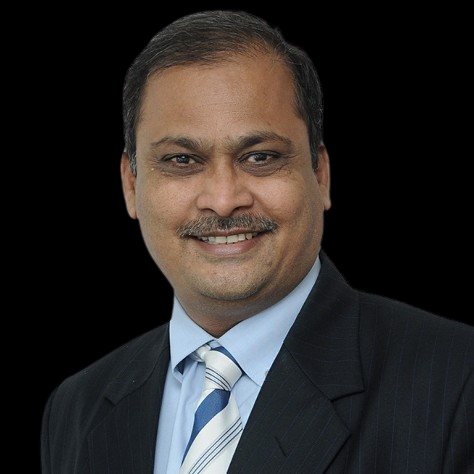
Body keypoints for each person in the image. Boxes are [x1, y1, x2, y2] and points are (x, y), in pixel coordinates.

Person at [41, 10, 473, 473]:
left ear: (320, 174)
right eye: (182, 160)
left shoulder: (458, 381)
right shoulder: (76, 409)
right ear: (131, 185)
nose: (224, 200)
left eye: (260, 157)